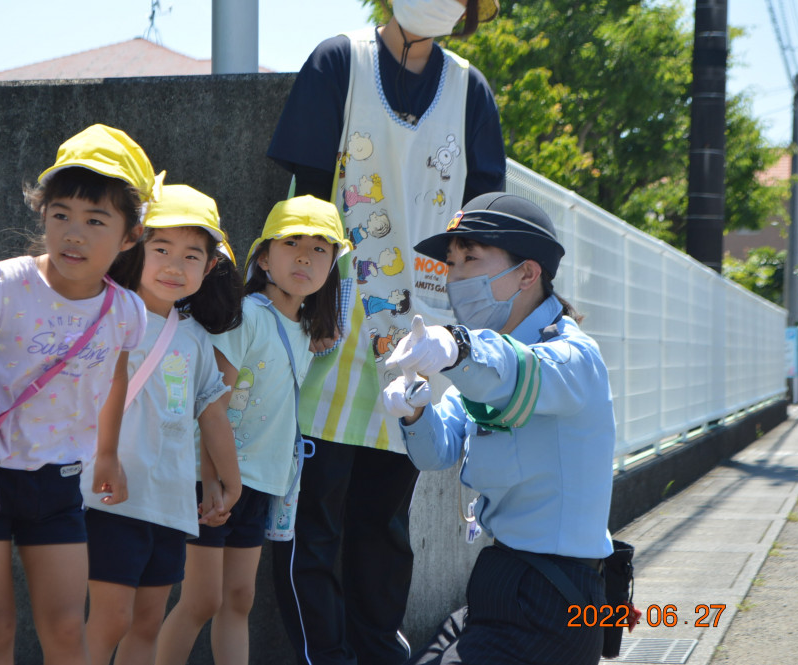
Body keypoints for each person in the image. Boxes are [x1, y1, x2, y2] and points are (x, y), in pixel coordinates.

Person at [266, 1, 505, 662]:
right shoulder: (340, 61)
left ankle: (375, 650)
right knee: (311, 518)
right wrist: (300, 299)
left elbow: (481, 226)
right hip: (331, 326)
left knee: (384, 523)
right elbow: (302, 201)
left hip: (418, 338)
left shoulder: (469, 90)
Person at [381, 192, 615, 665]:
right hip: (503, 575)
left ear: (527, 274)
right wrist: (415, 412)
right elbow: (437, 451)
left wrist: (458, 347)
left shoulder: (573, 356)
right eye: (450, 263)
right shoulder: (488, 366)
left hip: (554, 597)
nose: (454, 277)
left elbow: (518, 373)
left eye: (470, 259)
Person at [0, 124, 151, 665]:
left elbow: (115, 379)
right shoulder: (4, 284)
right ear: (43, 216)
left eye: (95, 220)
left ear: (130, 236)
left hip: (59, 481)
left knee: (64, 628)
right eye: (60, 214)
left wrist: (107, 453)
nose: (73, 234)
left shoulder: (125, 311)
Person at [157, 195, 351, 665]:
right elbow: (210, 407)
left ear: (332, 267)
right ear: (263, 258)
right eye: (291, 243)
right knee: (201, 600)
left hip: (258, 483)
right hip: (212, 481)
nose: (305, 257)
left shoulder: (305, 330)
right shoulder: (245, 316)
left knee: (239, 599)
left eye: (320, 249)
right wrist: (216, 481)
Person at [81, 184, 244, 665]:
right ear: (134, 246)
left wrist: (227, 482)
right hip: (110, 496)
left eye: (192, 256)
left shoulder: (194, 337)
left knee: (147, 624)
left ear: (209, 268)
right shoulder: (107, 312)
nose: (175, 266)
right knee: (110, 619)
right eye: (162, 249)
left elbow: (212, 410)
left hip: (170, 503)